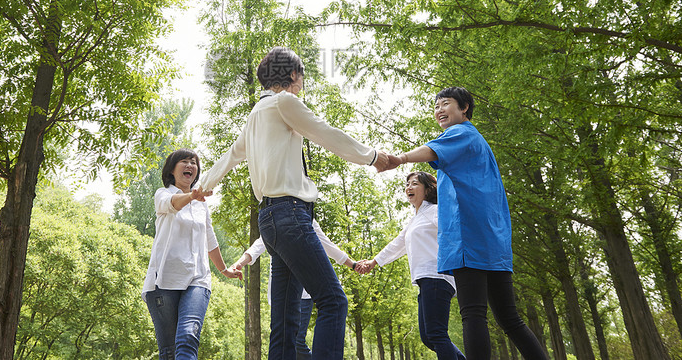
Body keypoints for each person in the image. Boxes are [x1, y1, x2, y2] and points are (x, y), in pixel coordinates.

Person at [198, 46, 390, 360]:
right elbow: (325, 133)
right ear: (292, 75)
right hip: (289, 215)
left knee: (285, 324)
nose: (302, 82)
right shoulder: (284, 102)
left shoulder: (255, 116)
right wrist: (372, 157)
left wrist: (203, 186)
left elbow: (231, 155)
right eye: (302, 76)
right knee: (333, 301)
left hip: (270, 220)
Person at [383, 87, 547, 360]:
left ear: (465, 107)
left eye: (445, 104)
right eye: (436, 106)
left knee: (473, 313)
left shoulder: (460, 134)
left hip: (468, 237)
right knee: (509, 318)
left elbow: (433, 150)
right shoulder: (476, 141)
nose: (439, 110)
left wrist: (399, 159)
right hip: (492, 239)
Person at [142, 149, 242, 360]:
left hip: (197, 278)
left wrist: (224, 270)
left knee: (188, 337)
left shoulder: (201, 204)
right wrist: (191, 196)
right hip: (164, 280)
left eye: (193, 163)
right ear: (172, 169)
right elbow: (173, 205)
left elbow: (210, 238)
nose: (190, 166)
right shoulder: (164, 193)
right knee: (169, 352)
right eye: (184, 162)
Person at [355, 171, 465, 360]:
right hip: (426, 280)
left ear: (428, 189)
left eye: (415, 184)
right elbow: (398, 244)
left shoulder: (434, 211)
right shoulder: (416, 219)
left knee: (436, 333)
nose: (409, 187)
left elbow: (456, 231)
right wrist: (373, 262)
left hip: (437, 276)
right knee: (428, 337)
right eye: (407, 184)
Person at [228, 218, 357, 360]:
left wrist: (353, 264)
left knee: (297, 341)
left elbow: (327, 245)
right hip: (281, 293)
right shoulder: (274, 218)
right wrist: (239, 263)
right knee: (283, 338)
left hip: (303, 294)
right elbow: (259, 244)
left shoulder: (306, 217)